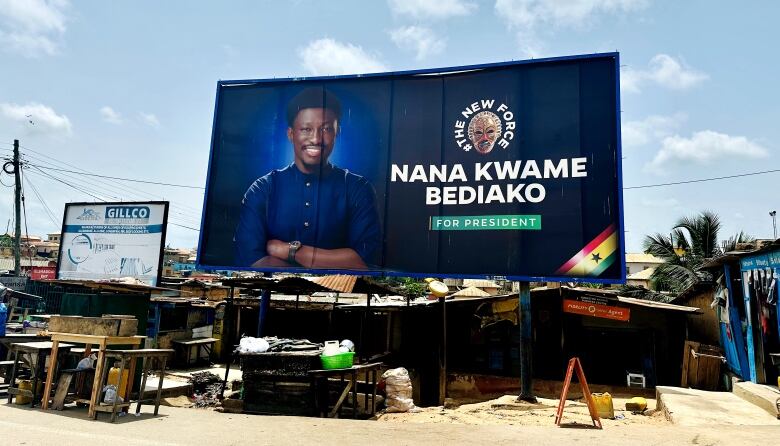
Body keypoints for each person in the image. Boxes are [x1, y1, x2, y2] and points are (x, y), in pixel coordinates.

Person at [234, 87, 381, 269]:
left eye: (326, 129)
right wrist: (333, 260)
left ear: (337, 133)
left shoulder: (357, 188)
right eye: (306, 129)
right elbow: (253, 261)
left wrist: (290, 251)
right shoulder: (263, 189)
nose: (316, 139)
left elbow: (362, 263)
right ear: (291, 134)